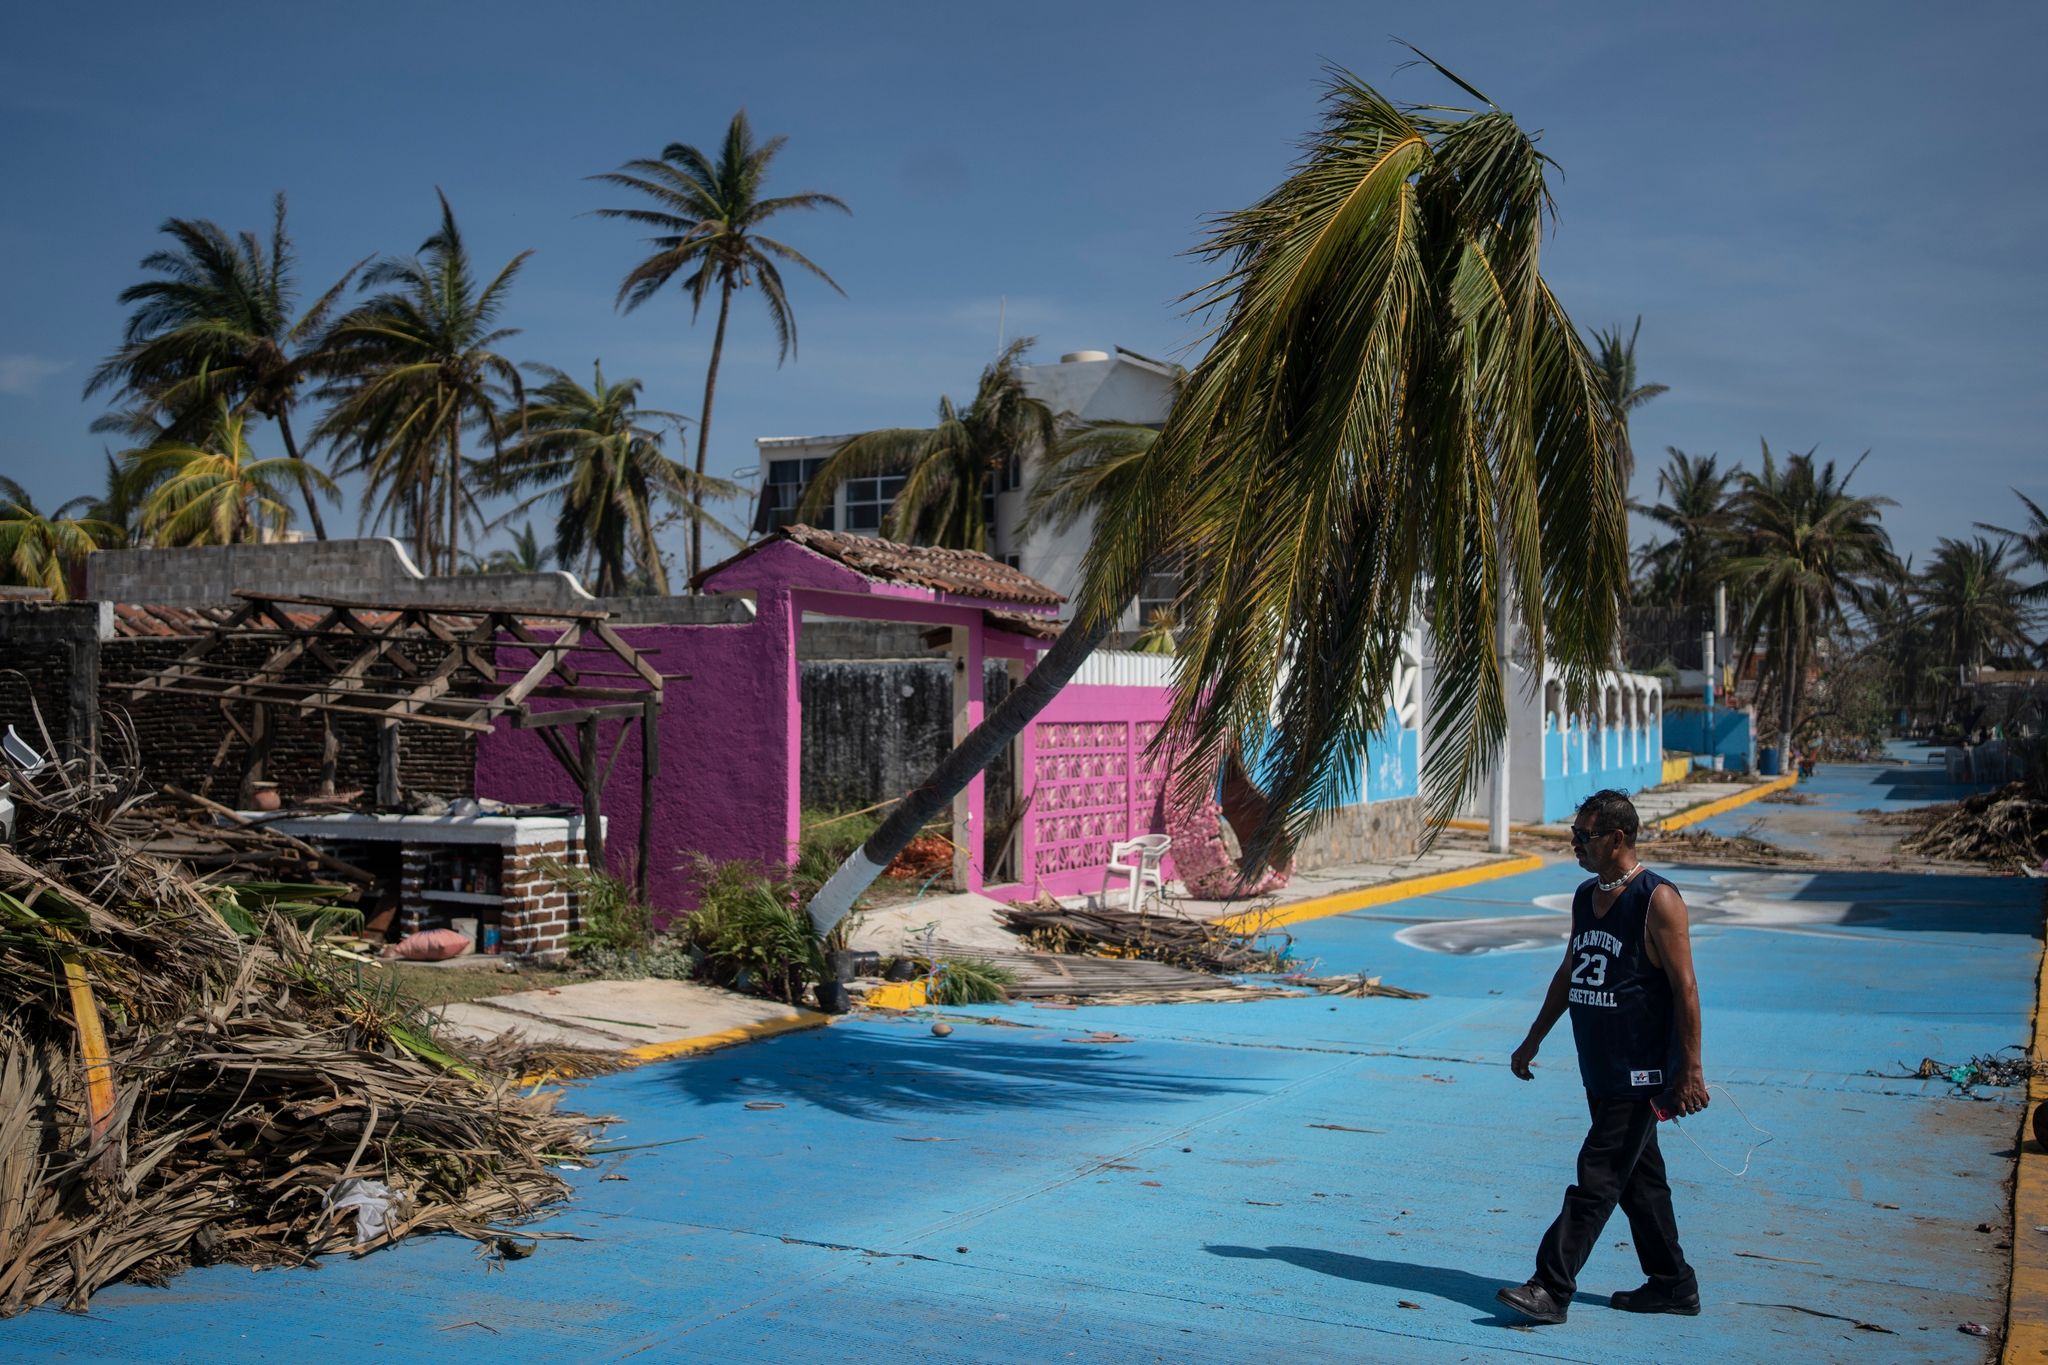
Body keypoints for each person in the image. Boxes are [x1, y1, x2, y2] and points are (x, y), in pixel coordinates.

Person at [1495, 789, 1708, 1325]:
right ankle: (1673, 1285)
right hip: (1600, 1067)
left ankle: (1550, 1286)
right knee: (1641, 1183)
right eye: (1573, 834)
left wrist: (1690, 1071)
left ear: (1618, 838)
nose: (1574, 844)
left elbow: (1685, 989)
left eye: (1583, 836)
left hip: (1641, 1074)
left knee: (1598, 1176)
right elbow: (1571, 973)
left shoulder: (1658, 900)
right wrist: (1533, 1038)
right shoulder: (1585, 896)